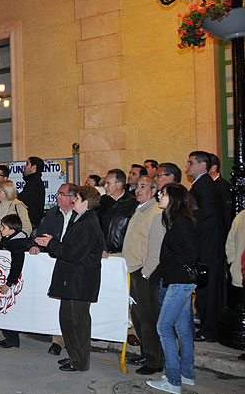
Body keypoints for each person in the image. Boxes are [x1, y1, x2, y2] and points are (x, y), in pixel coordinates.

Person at [35, 185, 104, 372]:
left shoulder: (88, 223)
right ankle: (74, 356)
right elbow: (68, 247)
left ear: (86, 203)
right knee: (67, 320)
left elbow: (73, 253)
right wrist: (52, 243)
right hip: (72, 279)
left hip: (79, 281)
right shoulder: (80, 219)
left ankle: (80, 361)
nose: (73, 200)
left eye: (78, 198)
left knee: (77, 323)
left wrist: (51, 243)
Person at [146, 183, 199, 394]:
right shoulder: (178, 221)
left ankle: (173, 380)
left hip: (179, 282)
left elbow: (191, 253)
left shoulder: (180, 223)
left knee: (164, 328)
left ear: (174, 198)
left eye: (163, 193)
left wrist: (170, 265)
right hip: (180, 281)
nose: (159, 195)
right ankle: (187, 374)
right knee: (183, 329)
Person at [121, 176, 166, 375]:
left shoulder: (156, 213)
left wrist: (146, 273)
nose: (138, 190)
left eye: (143, 187)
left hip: (145, 272)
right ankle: (146, 353)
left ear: (154, 191)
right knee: (138, 317)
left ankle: (155, 361)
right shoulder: (140, 210)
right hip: (134, 270)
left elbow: (156, 250)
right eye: (137, 186)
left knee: (148, 318)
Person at [29, 183, 79, 355]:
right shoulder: (52, 213)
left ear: (73, 198)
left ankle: (72, 343)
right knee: (56, 304)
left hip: (73, 261)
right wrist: (38, 246)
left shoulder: (82, 216)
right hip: (55, 261)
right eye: (57, 193)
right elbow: (41, 233)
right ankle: (58, 340)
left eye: (61, 194)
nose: (57, 197)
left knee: (71, 305)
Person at [186, 151, 227, 343]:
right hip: (208, 245)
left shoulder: (205, 186)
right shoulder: (202, 184)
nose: (188, 166)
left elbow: (205, 214)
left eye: (191, 162)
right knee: (205, 290)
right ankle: (206, 325)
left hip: (209, 246)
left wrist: (187, 222)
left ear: (203, 165)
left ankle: (209, 330)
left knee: (208, 291)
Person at [0, 214, 28, 349]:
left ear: (12, 231)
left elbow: (17, 265)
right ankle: (9, 337)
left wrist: (9, 283)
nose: (1, 230)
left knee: (9, 310)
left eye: (3, 227)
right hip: (10, 281)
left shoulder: (18, 245)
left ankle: (12, 338)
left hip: (13, 283)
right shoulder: (9, 240)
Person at [98, 169, 137, 256]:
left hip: (124, 254)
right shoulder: (100, 202)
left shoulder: (133, 203)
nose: (105, 186)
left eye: (108, 183)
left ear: (119, 184)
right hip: (103, 253)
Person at [0, 180, 32, 246]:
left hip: (15, 244)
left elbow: (27, 228)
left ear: (7, 192)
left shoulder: (18, 205)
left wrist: (17, 241)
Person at [18, 156, 45, 229]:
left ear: (33, 168)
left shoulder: (34, 183)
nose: (24, 166)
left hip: (30, 224)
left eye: (27, 164)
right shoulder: (33, 182)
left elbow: (22, 199)